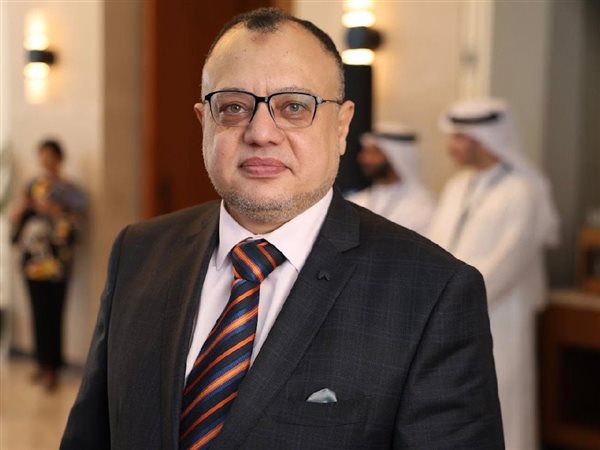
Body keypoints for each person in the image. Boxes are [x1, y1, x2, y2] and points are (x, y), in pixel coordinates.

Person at [61, 8, 503, 449]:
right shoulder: (139, 252)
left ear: (342, 126)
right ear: (204, 123)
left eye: (293, 107)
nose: (261, 133)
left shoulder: (432, 293)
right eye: (234, 107)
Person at [428, 98, 560, 450]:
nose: (451, 146)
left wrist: (453, 301)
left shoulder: (522, 191)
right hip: (450, 311)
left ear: (484, 140)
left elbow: (509, 261)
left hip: (500, 315)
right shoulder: (458, 185)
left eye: (459, 137)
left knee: (503, 400)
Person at [10, 139, 86, 391]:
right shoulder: (32, 186)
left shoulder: (70, 190)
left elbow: (76, 218)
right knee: (38, 313)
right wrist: (20, 210)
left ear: (59, 158)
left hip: (57, 262)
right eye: (42, 156)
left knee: (54, 313)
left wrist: (53, 210)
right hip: (33, 260)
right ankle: (41, 364)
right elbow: (17, 219)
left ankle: (54, 366)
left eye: (50, 156)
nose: (45, 161)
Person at [346, 123, 435, 234]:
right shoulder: (357, 201)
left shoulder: (422, 206)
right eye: (365, 151)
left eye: (374, 152)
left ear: (396, 156)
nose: (364, 158)